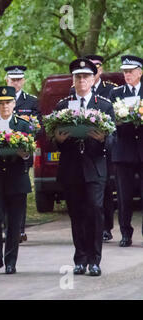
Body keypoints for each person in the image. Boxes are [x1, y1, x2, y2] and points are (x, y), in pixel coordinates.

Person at [54, 58, 114, 276]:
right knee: (77, 213)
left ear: (93, 79)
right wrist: (58, 141)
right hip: (71, 168)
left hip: (95, 168)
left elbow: (112, 140)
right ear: (73, 80)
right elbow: (53, 137)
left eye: (85, 76)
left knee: (95, 211)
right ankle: (80, 258)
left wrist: (102, 139)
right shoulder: (62, 106)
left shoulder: (104, 106)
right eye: (78, 77)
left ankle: (95, 260)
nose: (81, 80)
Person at [0, 86, 33, 275]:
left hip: (16, 179)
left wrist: (24, 155)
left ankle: (11, 261)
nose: (4, 106)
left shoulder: (23, 124)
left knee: (14, 223)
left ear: (14, 103)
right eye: (1, 102)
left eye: (7, 102)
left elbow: (30, 153)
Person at [108, 55, 143, 247]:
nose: (127, 74)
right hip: (123, 150)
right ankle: (125, 233)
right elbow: (112, 120)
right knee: (124, 196)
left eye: (130, 71)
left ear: (140, 72)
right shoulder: (116, 93)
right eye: (125, 71)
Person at [84, 55, 118, 242]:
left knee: (106, 188)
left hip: (105, 147)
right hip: (87, 147)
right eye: (92, 67)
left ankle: (107, 227)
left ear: (101, 69)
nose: (95, 69)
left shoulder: (110, 90)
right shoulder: (76, 90)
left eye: (97, 66)